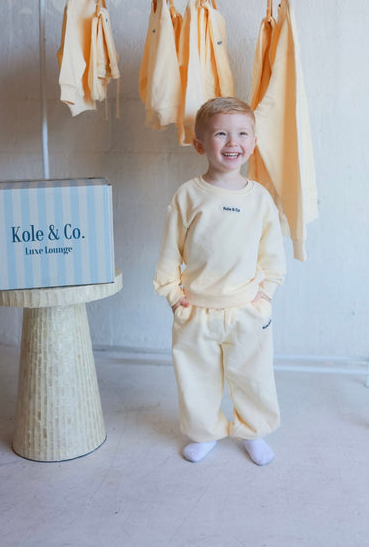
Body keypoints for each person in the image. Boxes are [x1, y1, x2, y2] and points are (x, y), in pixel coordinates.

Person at [153, 97, 286, 465]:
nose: (232, 143)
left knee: (253, 377)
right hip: (196, 310)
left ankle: (254, 430)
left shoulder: (260, 199)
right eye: (221, 134)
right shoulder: (188, 196)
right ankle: (205, 432)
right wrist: (173, 296)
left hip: (247, 309)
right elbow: (169, 252)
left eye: (242, 134)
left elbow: (273, 255)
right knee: (197, 379)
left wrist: (266, 295)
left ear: (253, 142)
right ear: (200, 145)